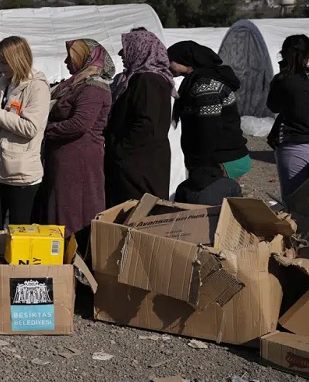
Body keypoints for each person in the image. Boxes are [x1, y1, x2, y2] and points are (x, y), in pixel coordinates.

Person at [0, 36, 50, 246]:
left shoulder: (37, 87)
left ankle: (16, 273)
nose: (0, 67)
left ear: (18, 60)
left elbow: (30, 128)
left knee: (20, 231)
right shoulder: (2, 83)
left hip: (21, 172)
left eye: (4, 62)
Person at [41, 39, 113, 257]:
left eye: (71, 58)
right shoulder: (75, 84)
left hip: (79, 161)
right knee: (61, 208)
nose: (66, 62)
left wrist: (43, 129)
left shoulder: (93, 88)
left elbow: (80, 124)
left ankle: (78, 262)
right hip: (64, 159)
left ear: (86, 59)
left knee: (75, 210)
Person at [167, 40, 250, 205]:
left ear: (185, 60)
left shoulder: (205, 86)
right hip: (219, 158)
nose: (167, 64)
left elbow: (209, 130)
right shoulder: (196, 81)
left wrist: (204, 169)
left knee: (214, 212)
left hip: (220, 160)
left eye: (171, 60)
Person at [106, 29, 175, 206]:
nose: (122, 53)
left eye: (127, 48)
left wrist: (120, 150)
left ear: (141, 49)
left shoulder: (147, 80)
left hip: (138, 163)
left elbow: (146, 122)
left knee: (136, 211)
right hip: (141, 159)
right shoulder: (147, 78)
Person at [267, 34, 309, 208]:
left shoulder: (282, 80)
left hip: (296, 147)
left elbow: (274, 106)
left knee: (297, 206)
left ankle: (299, 235)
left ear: (283, 54)